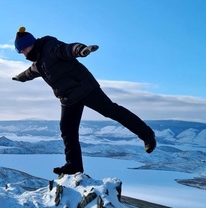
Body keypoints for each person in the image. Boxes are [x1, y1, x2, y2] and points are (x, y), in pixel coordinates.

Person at [13, 26, 156, 175]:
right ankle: (74, 166)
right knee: (67, 130)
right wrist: (19, 77)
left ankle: (147, 135)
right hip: (68, 98)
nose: (23, 53)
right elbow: (30, 72)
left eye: (23, 49)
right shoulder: (39, 62)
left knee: (112, 111)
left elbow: (67, 49)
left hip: (84, 88)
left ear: (31, 44)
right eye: (20, 51)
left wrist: (81, 50)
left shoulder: (49, 46)